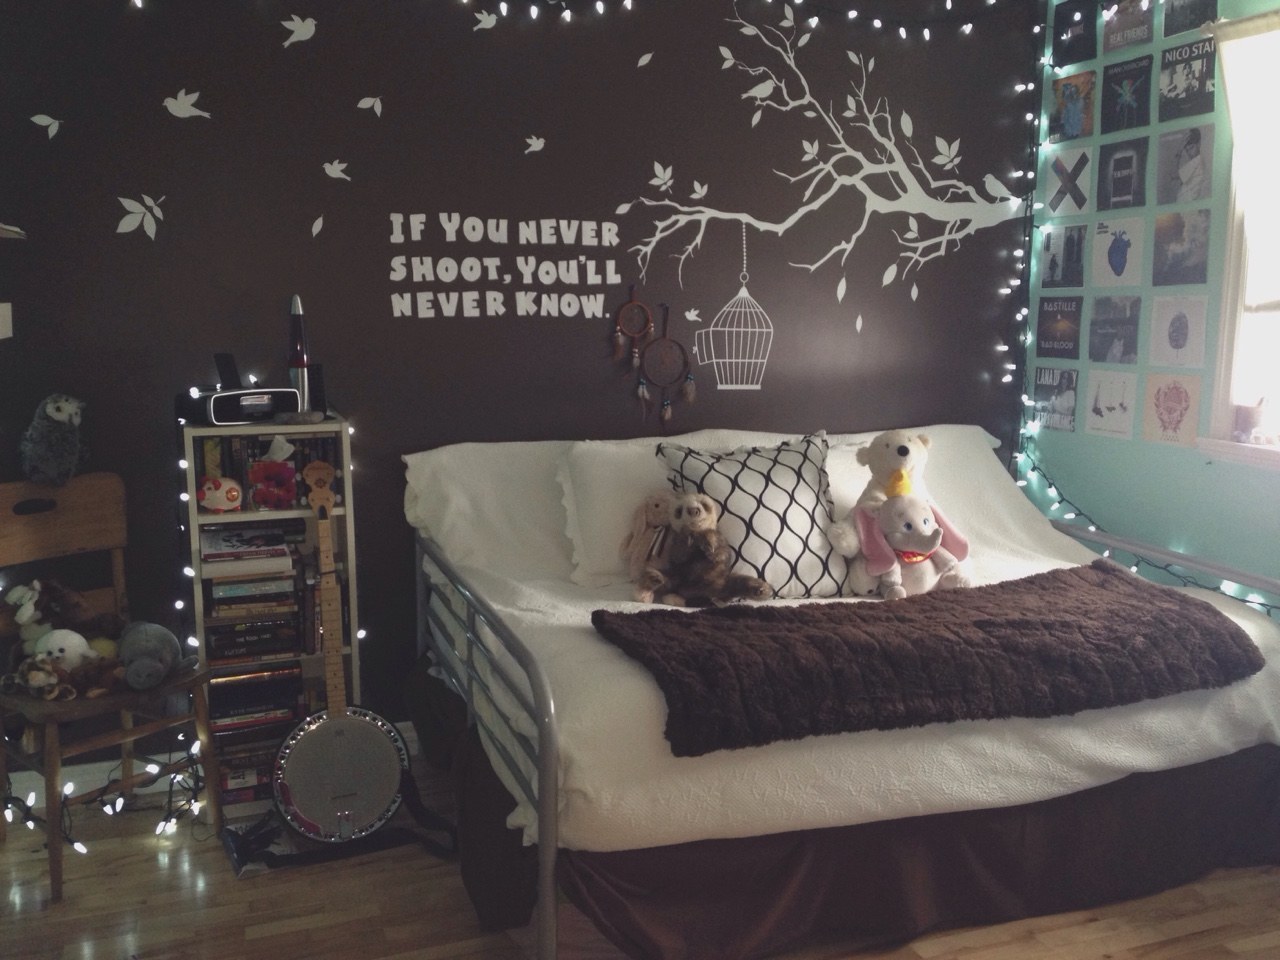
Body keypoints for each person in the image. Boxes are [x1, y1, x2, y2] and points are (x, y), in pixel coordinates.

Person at [1173, 128, 1207, 202]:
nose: (1189, 153)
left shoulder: (1197, 160)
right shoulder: (1198, 161)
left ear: (1199, 144)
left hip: (1187, 205)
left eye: (1191, 148)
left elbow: (1174, 175)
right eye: (1187, 150)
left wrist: (1179, 151)